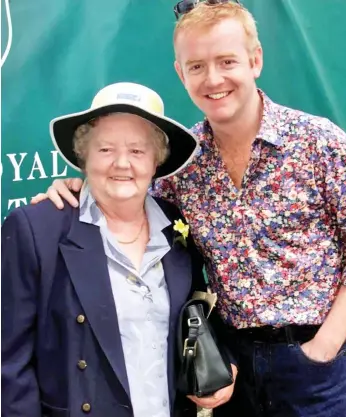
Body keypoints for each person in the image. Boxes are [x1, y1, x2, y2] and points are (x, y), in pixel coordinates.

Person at [31, 1, 346, 416]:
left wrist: (324, 346)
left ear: (255, 60)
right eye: (196, 66)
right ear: (181, 73)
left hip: (314, 361)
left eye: (226, 61)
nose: (213, 79)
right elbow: (127, 193)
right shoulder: (182, 165)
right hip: (234, 367)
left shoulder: (319, 143)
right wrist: (76, 186)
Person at [2, 82, 237, 417]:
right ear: (83, 157)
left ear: (157, 161)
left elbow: (198, 314)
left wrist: (222, 361)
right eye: (106, 149)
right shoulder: (35, 229)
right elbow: (8, 364)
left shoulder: (176, 226)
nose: (122, 164)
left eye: (138, 151)